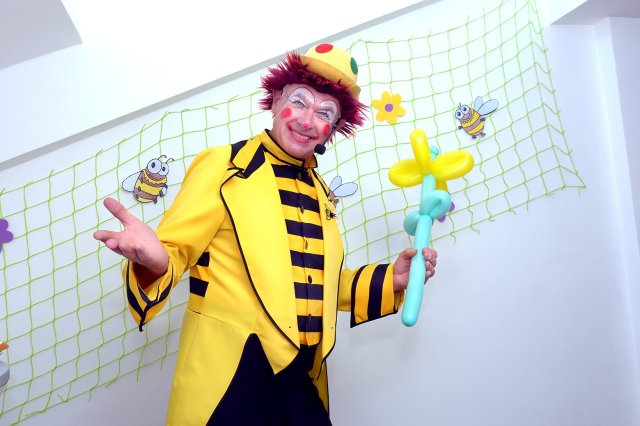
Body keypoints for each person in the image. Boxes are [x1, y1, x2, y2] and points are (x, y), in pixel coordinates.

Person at [94, 43, 438, 426]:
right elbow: (173, 251)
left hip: (301, 378)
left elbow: (313, 286)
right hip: (233, 374)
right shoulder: (224, 167)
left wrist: (392, 278)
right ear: (275, 100)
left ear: (333, 129)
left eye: (325, 112)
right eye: (299, 101)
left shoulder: (321, 191)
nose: (307, 120)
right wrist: (158, 260)